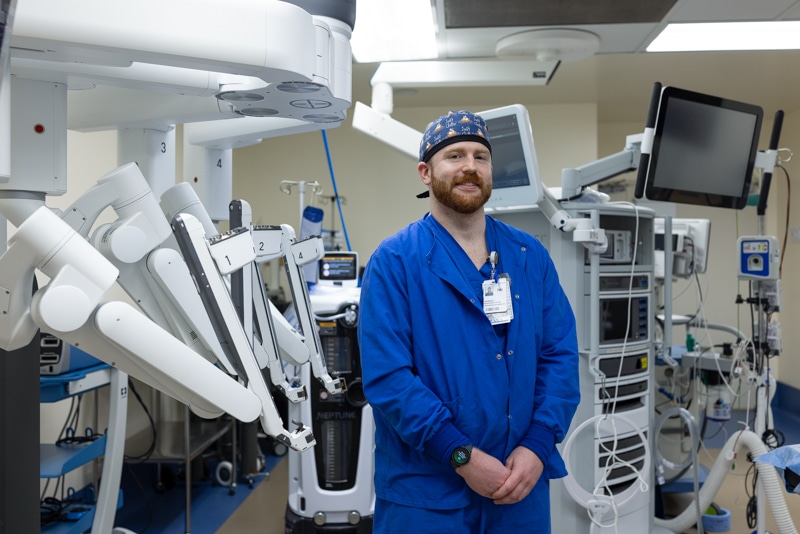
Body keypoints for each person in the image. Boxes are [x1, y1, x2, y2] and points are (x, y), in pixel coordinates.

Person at [357, 109, 581, 533]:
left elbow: (559, 356)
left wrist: (536, 445)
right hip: (426, 494)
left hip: (518, 484)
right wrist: (460, 455)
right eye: (454, 156)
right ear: (426, 172)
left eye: (481, 156)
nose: (470, 168)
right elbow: (389, 379)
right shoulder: (395, 262)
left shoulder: (528, 255)